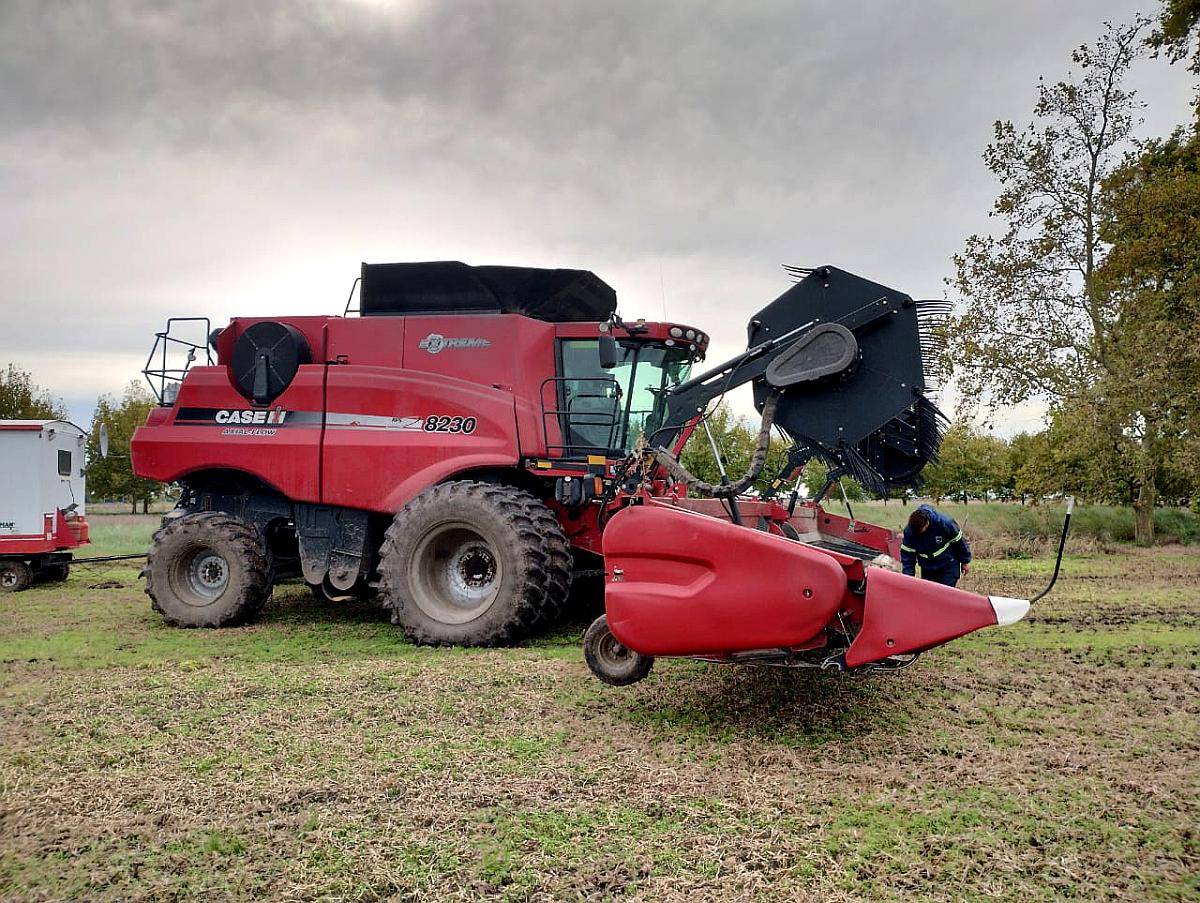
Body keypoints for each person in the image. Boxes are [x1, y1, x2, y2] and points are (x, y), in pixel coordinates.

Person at [900, 504, 972, 587]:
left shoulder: (945, 523)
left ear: (927, 523)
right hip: (928, 568)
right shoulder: (910, 531)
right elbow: (907, 556)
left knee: (945, 595)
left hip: (948, 564)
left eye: (921, 530)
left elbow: (959, 542)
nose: (918, 533)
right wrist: (908, 579)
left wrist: (965, 561)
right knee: (930, 595)